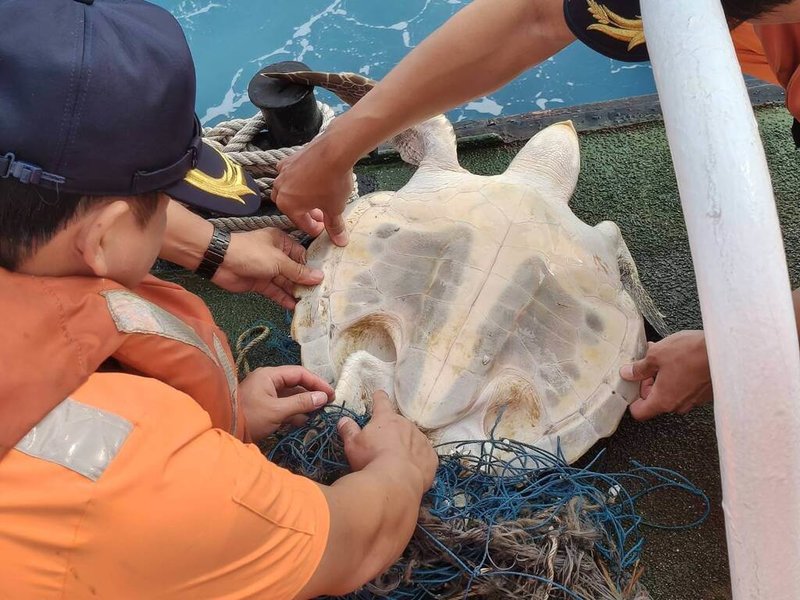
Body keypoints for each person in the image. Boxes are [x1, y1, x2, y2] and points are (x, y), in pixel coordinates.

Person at [0, 1, 438, 599]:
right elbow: (347, 544)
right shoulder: (137, 481)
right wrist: (399, 470)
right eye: (163, 201)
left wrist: (212, 251)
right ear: (102, 238)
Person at [272, 0, 800, 422]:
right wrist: (333, 151)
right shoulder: (604, 239)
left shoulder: (443, 170)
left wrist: (732, 354)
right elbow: (534, 15)